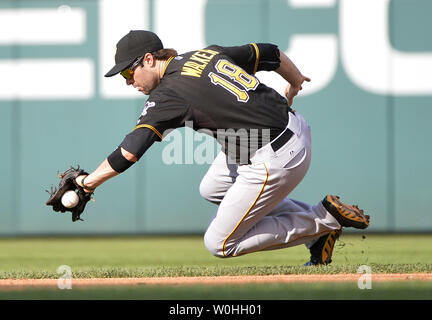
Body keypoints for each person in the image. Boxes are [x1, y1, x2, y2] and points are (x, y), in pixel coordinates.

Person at [76, 30, 370, 265]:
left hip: (274, 156)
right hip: (285, 129)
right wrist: (294, 82)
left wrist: (86, 185)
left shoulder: (168, 94)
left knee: (219, 243)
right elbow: (269, 52)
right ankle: (317, 236)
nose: (129, 82)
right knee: (213, 188)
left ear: (149, 59)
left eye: (129, 73)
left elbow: (130, 151)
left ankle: (323, 220)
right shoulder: (206, 54)